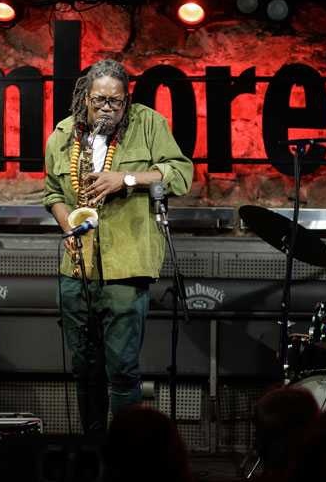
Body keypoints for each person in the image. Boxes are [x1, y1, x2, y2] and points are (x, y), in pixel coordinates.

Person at [43, 59, 193, 434]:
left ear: (127, 100)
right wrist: (71, 224)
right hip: (77, 269)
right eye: (100, 101)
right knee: (85, 369)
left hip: (127, 265)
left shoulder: (148, 123)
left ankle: (127, 456)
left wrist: (124, 178)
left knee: (122, 369)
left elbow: (180, 174)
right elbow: (50, 193)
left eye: (117, 101)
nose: (108, 108)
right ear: (84, 97)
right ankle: (94, 449)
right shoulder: (62, 134)